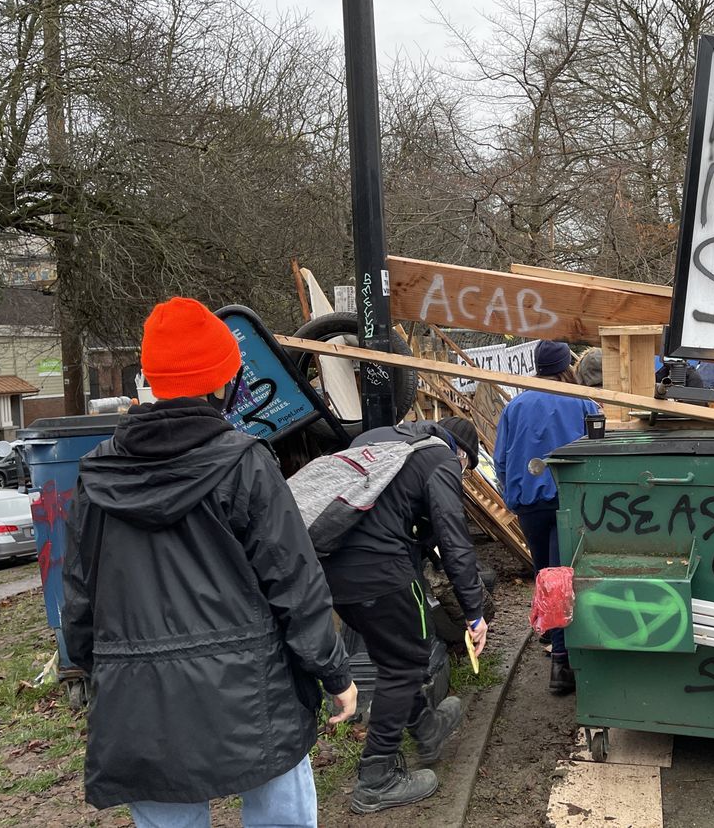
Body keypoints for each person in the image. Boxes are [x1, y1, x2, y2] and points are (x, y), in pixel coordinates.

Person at [62, 297, 356, 827]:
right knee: (281, 813)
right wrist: (333, 672)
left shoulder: (95, 475)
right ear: (224, 380)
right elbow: (294, 582)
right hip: (252, 693)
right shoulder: (245, 462)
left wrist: (92, 666)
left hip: (139, 699)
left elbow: (81, 591)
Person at [319, 415, 489, 814]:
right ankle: (376, 778)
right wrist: (474, 612)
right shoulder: (440, 458)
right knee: (406, 665)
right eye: (466, 469)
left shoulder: (374, 439)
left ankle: (426, 727)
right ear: (461, 454)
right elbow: (453, 537)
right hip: (382, 572)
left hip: (332, 571)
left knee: (393, 655)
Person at [494, 340, 601, 695]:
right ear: (563, 366)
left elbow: (502, 460)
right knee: (565, 576)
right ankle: (562, 659)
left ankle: (554, 640)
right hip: (569, 502)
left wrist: (512, 496)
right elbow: (598, 452)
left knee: (546, 575)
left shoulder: (516, 406)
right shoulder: (583, 402)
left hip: (529, 504)